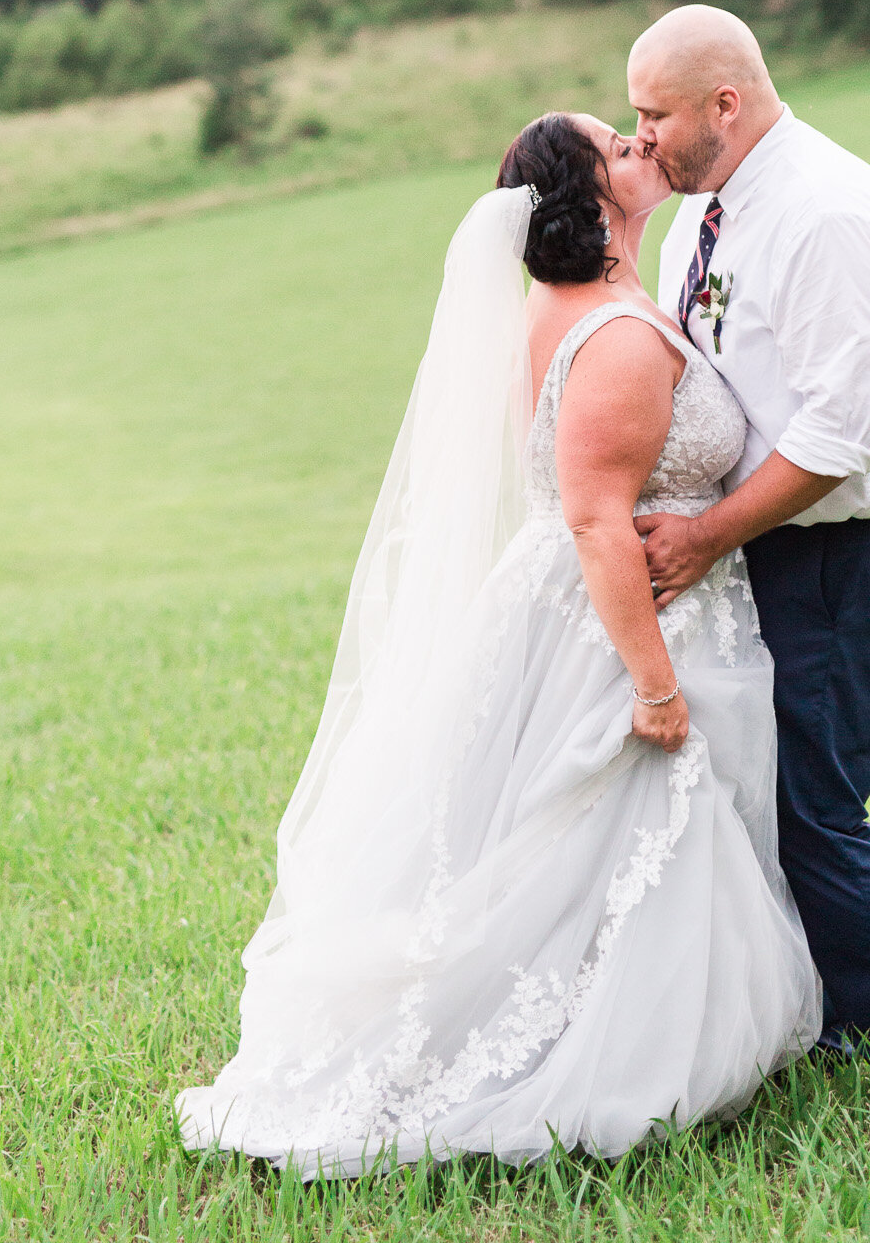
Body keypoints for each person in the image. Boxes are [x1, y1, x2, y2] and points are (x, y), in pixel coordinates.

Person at [176, 111, 819, 1179]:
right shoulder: (612, 334)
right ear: (592, 199)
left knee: (590, 844)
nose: (641, 148)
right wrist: (653, 683)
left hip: (595, 606)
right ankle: (602, 1061)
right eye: (619, 145)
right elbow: (597, 519)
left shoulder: (592, 301)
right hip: (615, 625)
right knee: (614, 830)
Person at [628, 3, 870, 1104]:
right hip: (770, 545)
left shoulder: (824, 211)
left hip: (857, 547)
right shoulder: (706, 208)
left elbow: (842, 433)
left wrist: (700, 534)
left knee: (816, 803)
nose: (640, 135)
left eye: (655, 114)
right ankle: (835, 1014)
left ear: (724, 104)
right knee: (765, 790)